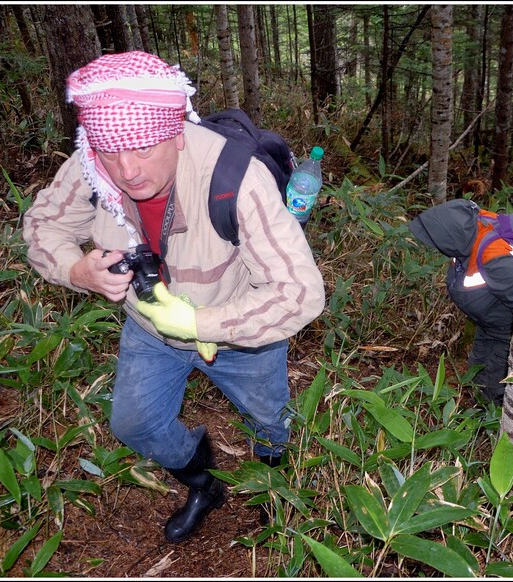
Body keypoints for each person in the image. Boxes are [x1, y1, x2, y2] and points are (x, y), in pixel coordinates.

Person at [22, 51, 325, 543]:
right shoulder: (93, 163)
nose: (127, 170)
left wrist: (201, 326)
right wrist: (77, 270)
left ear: (176, 131)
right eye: (112, 152)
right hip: (150, 330)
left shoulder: (235, 178)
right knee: (134, 423)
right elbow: (40, 226)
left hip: (240, 335)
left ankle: (274, 488)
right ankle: (204, 483)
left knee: (269, 419)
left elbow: (301, 292)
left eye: (143, 149)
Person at [408, 199, 513, 405]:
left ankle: (494, 418)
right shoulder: (465, 243)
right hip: (488, 325)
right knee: (476, 367)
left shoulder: (495, 258)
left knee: (495, 380)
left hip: (505, 333)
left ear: (449, 237)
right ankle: (479, 405)